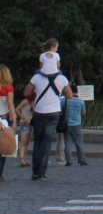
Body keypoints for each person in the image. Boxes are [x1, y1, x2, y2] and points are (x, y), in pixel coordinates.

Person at [22, 48, 72, 181]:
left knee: (37, 142)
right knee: (47, 143)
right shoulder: (61, 78)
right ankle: (42, 172)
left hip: (39, 112)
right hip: (53, 113)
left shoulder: (37, 77)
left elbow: (26, 92)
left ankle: (35, 172)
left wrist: (35, 96)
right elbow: (70, 95)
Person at [62, 83, 88, 167]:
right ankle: (82, 160)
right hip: (77, 123)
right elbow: (83, 113)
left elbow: (61, 111)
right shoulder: (81, 101)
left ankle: (68, 160)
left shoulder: (64, 100)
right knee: (79, 142)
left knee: (68, 143)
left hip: (66, 124)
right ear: (77, 91)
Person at [15, 95, 33, 168]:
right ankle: (22, 159)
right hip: (24, 123)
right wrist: (22, 117)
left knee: (27, 142)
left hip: (31, 123)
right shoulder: (25, 101)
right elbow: (17, 109)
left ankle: (24, 159)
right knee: (23, 142)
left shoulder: (34, 102)